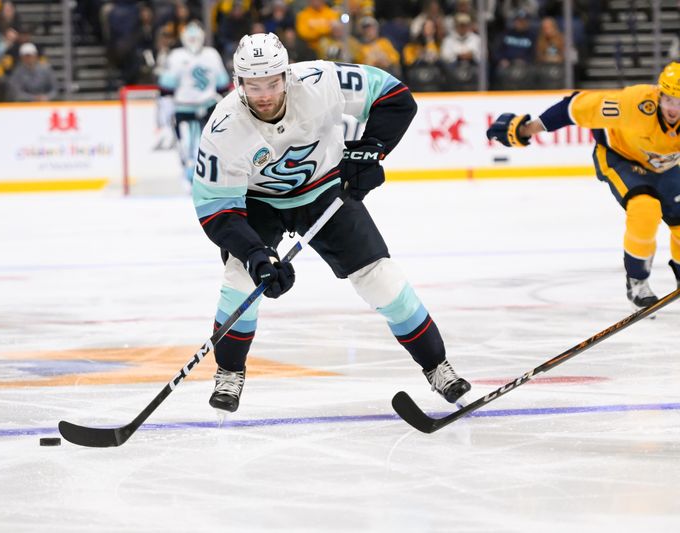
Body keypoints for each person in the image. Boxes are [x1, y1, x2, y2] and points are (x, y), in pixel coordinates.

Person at [192, 32, 471, 413]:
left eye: (272, 82)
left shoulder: (320, 81)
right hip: (260, 203)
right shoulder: (223, 130)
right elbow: (217, 210)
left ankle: (437, 366)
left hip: (325, 189)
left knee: (381, 278)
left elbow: (395, 97)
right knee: (240, 279)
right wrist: (257, 255)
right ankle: (228, 372)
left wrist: (373, 150)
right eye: (253, 85)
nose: (265, 95)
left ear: (286, 75)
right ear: (238, 83)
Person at [487, 61, 680, 310]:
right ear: (658, 94)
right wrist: (526, 129)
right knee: (645, 209)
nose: (673, 108)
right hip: (620, 156)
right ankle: (638, 282)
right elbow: (574, 107)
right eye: (668, 100)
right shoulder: (634, 103)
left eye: (679, 101)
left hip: (664, 166)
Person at [158, 21, 230, 185]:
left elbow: (223, 86)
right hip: (185, 110)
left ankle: (204, 178)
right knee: (186, 148)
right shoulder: (179, 56)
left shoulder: (209, 54)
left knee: (210, 148)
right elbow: (166, 90)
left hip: (208, 108)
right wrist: (166, 114)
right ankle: (191, 177)